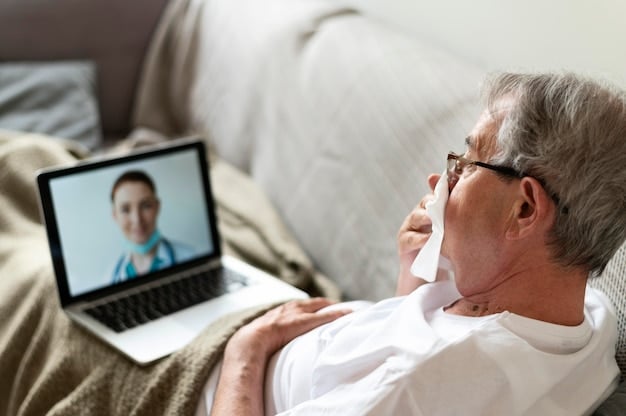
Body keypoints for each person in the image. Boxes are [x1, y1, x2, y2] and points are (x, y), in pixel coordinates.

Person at [204, 72, 626, 415]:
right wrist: (413, 273)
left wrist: (247, 349)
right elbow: (411, 345)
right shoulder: (586, 318)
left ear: (524, 209)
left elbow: (419, 378)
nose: (438, 181)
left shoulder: (418, 385)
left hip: (210, 380)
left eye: (465, 165)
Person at [110, 170, 195, 283]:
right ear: (115, 216)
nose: (137, 219)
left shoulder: (190, 257)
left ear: (157, 207)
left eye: (145, 206)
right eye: (125, 209)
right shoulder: (112, 277)